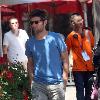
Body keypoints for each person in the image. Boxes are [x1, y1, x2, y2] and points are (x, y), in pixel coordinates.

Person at [25, 9, 69, 100]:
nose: (33, 25)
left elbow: (65, 59)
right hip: (38, 85)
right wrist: (31, 80)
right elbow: (30, 63)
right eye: (31, 23)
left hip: (56, 84)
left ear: (45, 22)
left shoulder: (56, 38)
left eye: (36, 22)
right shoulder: (29, 42)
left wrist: (64, 80)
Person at [66, 13, 94, 100]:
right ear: (73, 23)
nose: (81, 22)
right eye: (78, 21)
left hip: (90, 68)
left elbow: (92, 47)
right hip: (78, 69)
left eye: (81, 20)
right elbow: (66, 52)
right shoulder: (70, 36)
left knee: (89, 92)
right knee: (80, 92)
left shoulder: (88, 33)